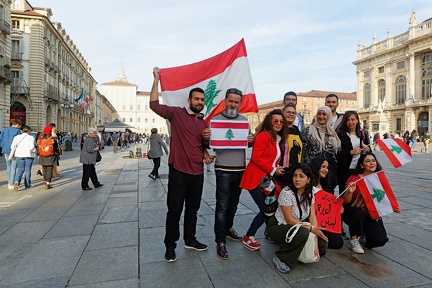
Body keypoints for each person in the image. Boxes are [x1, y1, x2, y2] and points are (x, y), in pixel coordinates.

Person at [150, 67, 213, 263]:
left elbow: (201, 146)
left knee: (193, 210)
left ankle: (190, 239)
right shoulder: (176, 114)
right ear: (189, 100)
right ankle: (170, 246)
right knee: (174, 211)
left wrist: (206, 151)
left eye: (202, 100)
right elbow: (154, 105)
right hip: (178, 171)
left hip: (197, 172)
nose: (200, 103)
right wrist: (156, 80)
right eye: (196, 99)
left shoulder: (204, 123)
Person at [212, 88, 254, 260]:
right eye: (231, 101)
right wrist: (207, 137)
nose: (233, 104)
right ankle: (220, 241)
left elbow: (248, 144)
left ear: (240, 103)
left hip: (240, 169)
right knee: (222, 205)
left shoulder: (244, 121)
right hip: (223, 169)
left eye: (236, 102)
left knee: (234, 204)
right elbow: (210, 142)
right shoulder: (215, 120)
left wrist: (251, 141)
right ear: (225, 101)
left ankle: (228, 228)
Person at [265, 163, 328, 273]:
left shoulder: (310, 192)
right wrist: (311, 229)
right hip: (279, 225)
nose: (297, 179)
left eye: (301, 176)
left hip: (297, 225)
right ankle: (281, 257)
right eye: (295, 175)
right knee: (302, 233)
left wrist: (316, 235)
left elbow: (312, 216)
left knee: (323, 244)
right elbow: (289, 219)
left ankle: (295, 250)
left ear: (308, 179)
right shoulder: (287, 192)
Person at [239, 109, 288, 251]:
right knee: (266, 209)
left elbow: (269, 159)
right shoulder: (263, 136)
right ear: (269, 122)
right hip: (255, 179)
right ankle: (249, 236)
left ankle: (270, 233)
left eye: (281, 121)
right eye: (275, 121)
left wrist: (275, 167)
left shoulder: (276, 138)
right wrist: (273, 170)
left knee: (270, 208)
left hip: (265, 180)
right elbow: (256, 157)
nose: (278, 123)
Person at [342, 152, 402, 254]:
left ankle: (364, 231)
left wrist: (393, 207)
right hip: (352, 211)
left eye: (373, 161)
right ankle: (354, 239)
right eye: (368, 161)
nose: (372, 163)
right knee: (357, 213)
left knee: (379, 240)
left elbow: (384, 196)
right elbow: (346, 201)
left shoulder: (378, 179)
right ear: (361, 165)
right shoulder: (354, 178)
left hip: (371, 213)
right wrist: (349, 192)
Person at [302, 106, 341, 191]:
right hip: (313, 172)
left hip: (328, 173)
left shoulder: (332, 132)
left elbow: (336, 152)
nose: (321, 116)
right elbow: (303, 152)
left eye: (324, 114)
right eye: (319, 114)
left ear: (329, 116)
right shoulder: (308, 131)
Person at [310, 156, 343, 249]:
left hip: (323, 221)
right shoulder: (308, 182)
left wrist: (338, 208)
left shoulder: (325, 184)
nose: (326, 170)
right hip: (310, 219)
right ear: (316, 166)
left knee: (337, 243)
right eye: (323, 167)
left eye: (327, 168)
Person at [337, 111, 370, 191]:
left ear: (357, 121)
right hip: (345, 170)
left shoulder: (362, 134)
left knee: (358, 192)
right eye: (348, 120)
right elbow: (337, 153)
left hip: (359, 169)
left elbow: (369, 150)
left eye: (352, 119)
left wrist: (367, 149)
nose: (350, 122)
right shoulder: (341, 135)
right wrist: (351, 152)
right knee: (345, 192)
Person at [11, 125, 37, 191]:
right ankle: (27, 184)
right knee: (27, 170)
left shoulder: (16, 137)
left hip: (19, 155)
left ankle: (17, 182)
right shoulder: (30, 137)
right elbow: (31, 147)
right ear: (28, 130)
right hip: (28, 155)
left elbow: (12, 146)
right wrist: (35, 151)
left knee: (20, 169)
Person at [281, 103, 303, 176]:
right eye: (288, 112)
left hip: (295, 169)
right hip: (282, 170)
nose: (291, 114)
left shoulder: (296, 129)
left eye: (293, 113)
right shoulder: (279, 129)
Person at [0, 119, 22, 189]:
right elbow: (19, 141)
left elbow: (1, 139)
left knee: (8, 166)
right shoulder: (17, 131)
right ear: (17, 125)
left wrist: (3, 146)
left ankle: (9, 183)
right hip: (14, 151)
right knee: (13, 166)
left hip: (5, 150)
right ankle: (11, 183)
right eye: (19, 126)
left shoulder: (5, 130)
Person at [38, 126, 60, 190]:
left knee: (44, 168)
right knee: (50, 169)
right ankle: (48, 183)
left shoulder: (40, 139)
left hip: (42, 156)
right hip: (51, 156)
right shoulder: (52, 139)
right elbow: (56, 148)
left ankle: (45, 181)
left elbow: (38, 148)